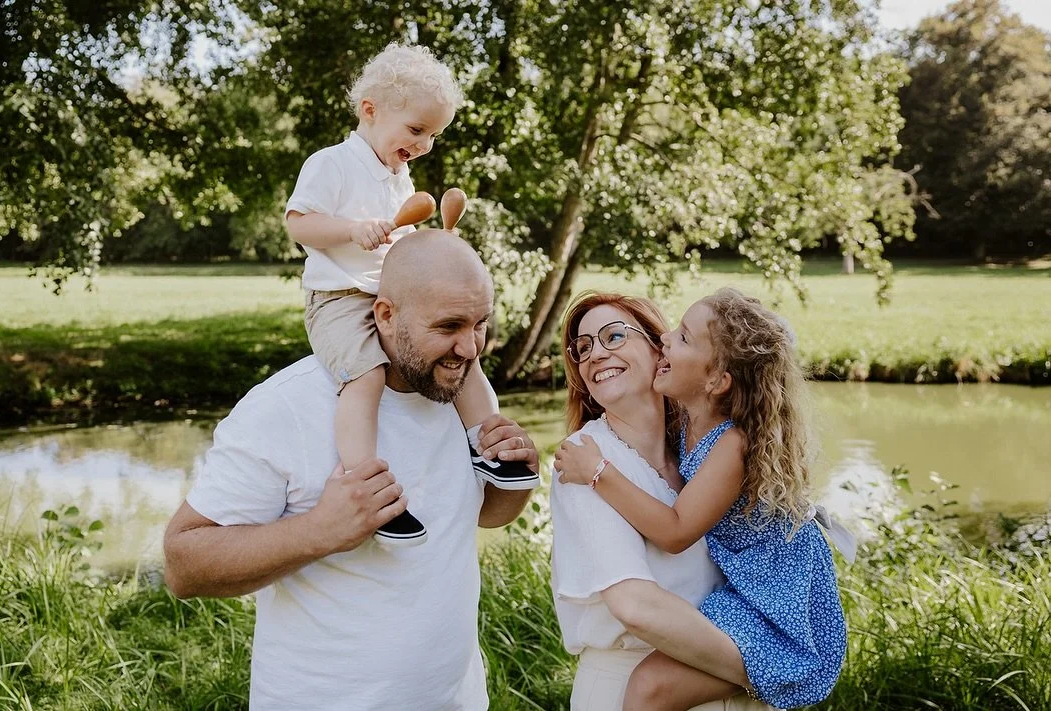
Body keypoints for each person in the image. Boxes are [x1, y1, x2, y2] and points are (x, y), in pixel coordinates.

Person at [163, 231, 538, 710]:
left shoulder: (455, 389)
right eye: (449, 326)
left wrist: (517, 472)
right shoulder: (286, 407)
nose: (470, 348)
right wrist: (319, 531)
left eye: (481, 323)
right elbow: (182, 565)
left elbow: (481, 512)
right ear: (385, 314)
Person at [285, 43, 536, 547]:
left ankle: (488, 447)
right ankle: (366, 489)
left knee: (463, 355)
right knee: (366, 375)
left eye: (433, 136)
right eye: (416, 130)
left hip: (392, 295)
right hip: (339, 298)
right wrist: (351, 230)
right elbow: (299, 223)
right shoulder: (332, 164)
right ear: (370, 111)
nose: (423, 144)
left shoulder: (401, 177)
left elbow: (400, 245)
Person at [555, 287, 852, 710]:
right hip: (706, 628)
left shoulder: (719, 442)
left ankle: (785, 670)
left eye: (614, 336)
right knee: (647, 687)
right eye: (582, 348)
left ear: (714, 378)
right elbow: (638, 602)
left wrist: (601, 474)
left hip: (767, 595)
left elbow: (675, 531)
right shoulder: (595, 450)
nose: (594, 355)